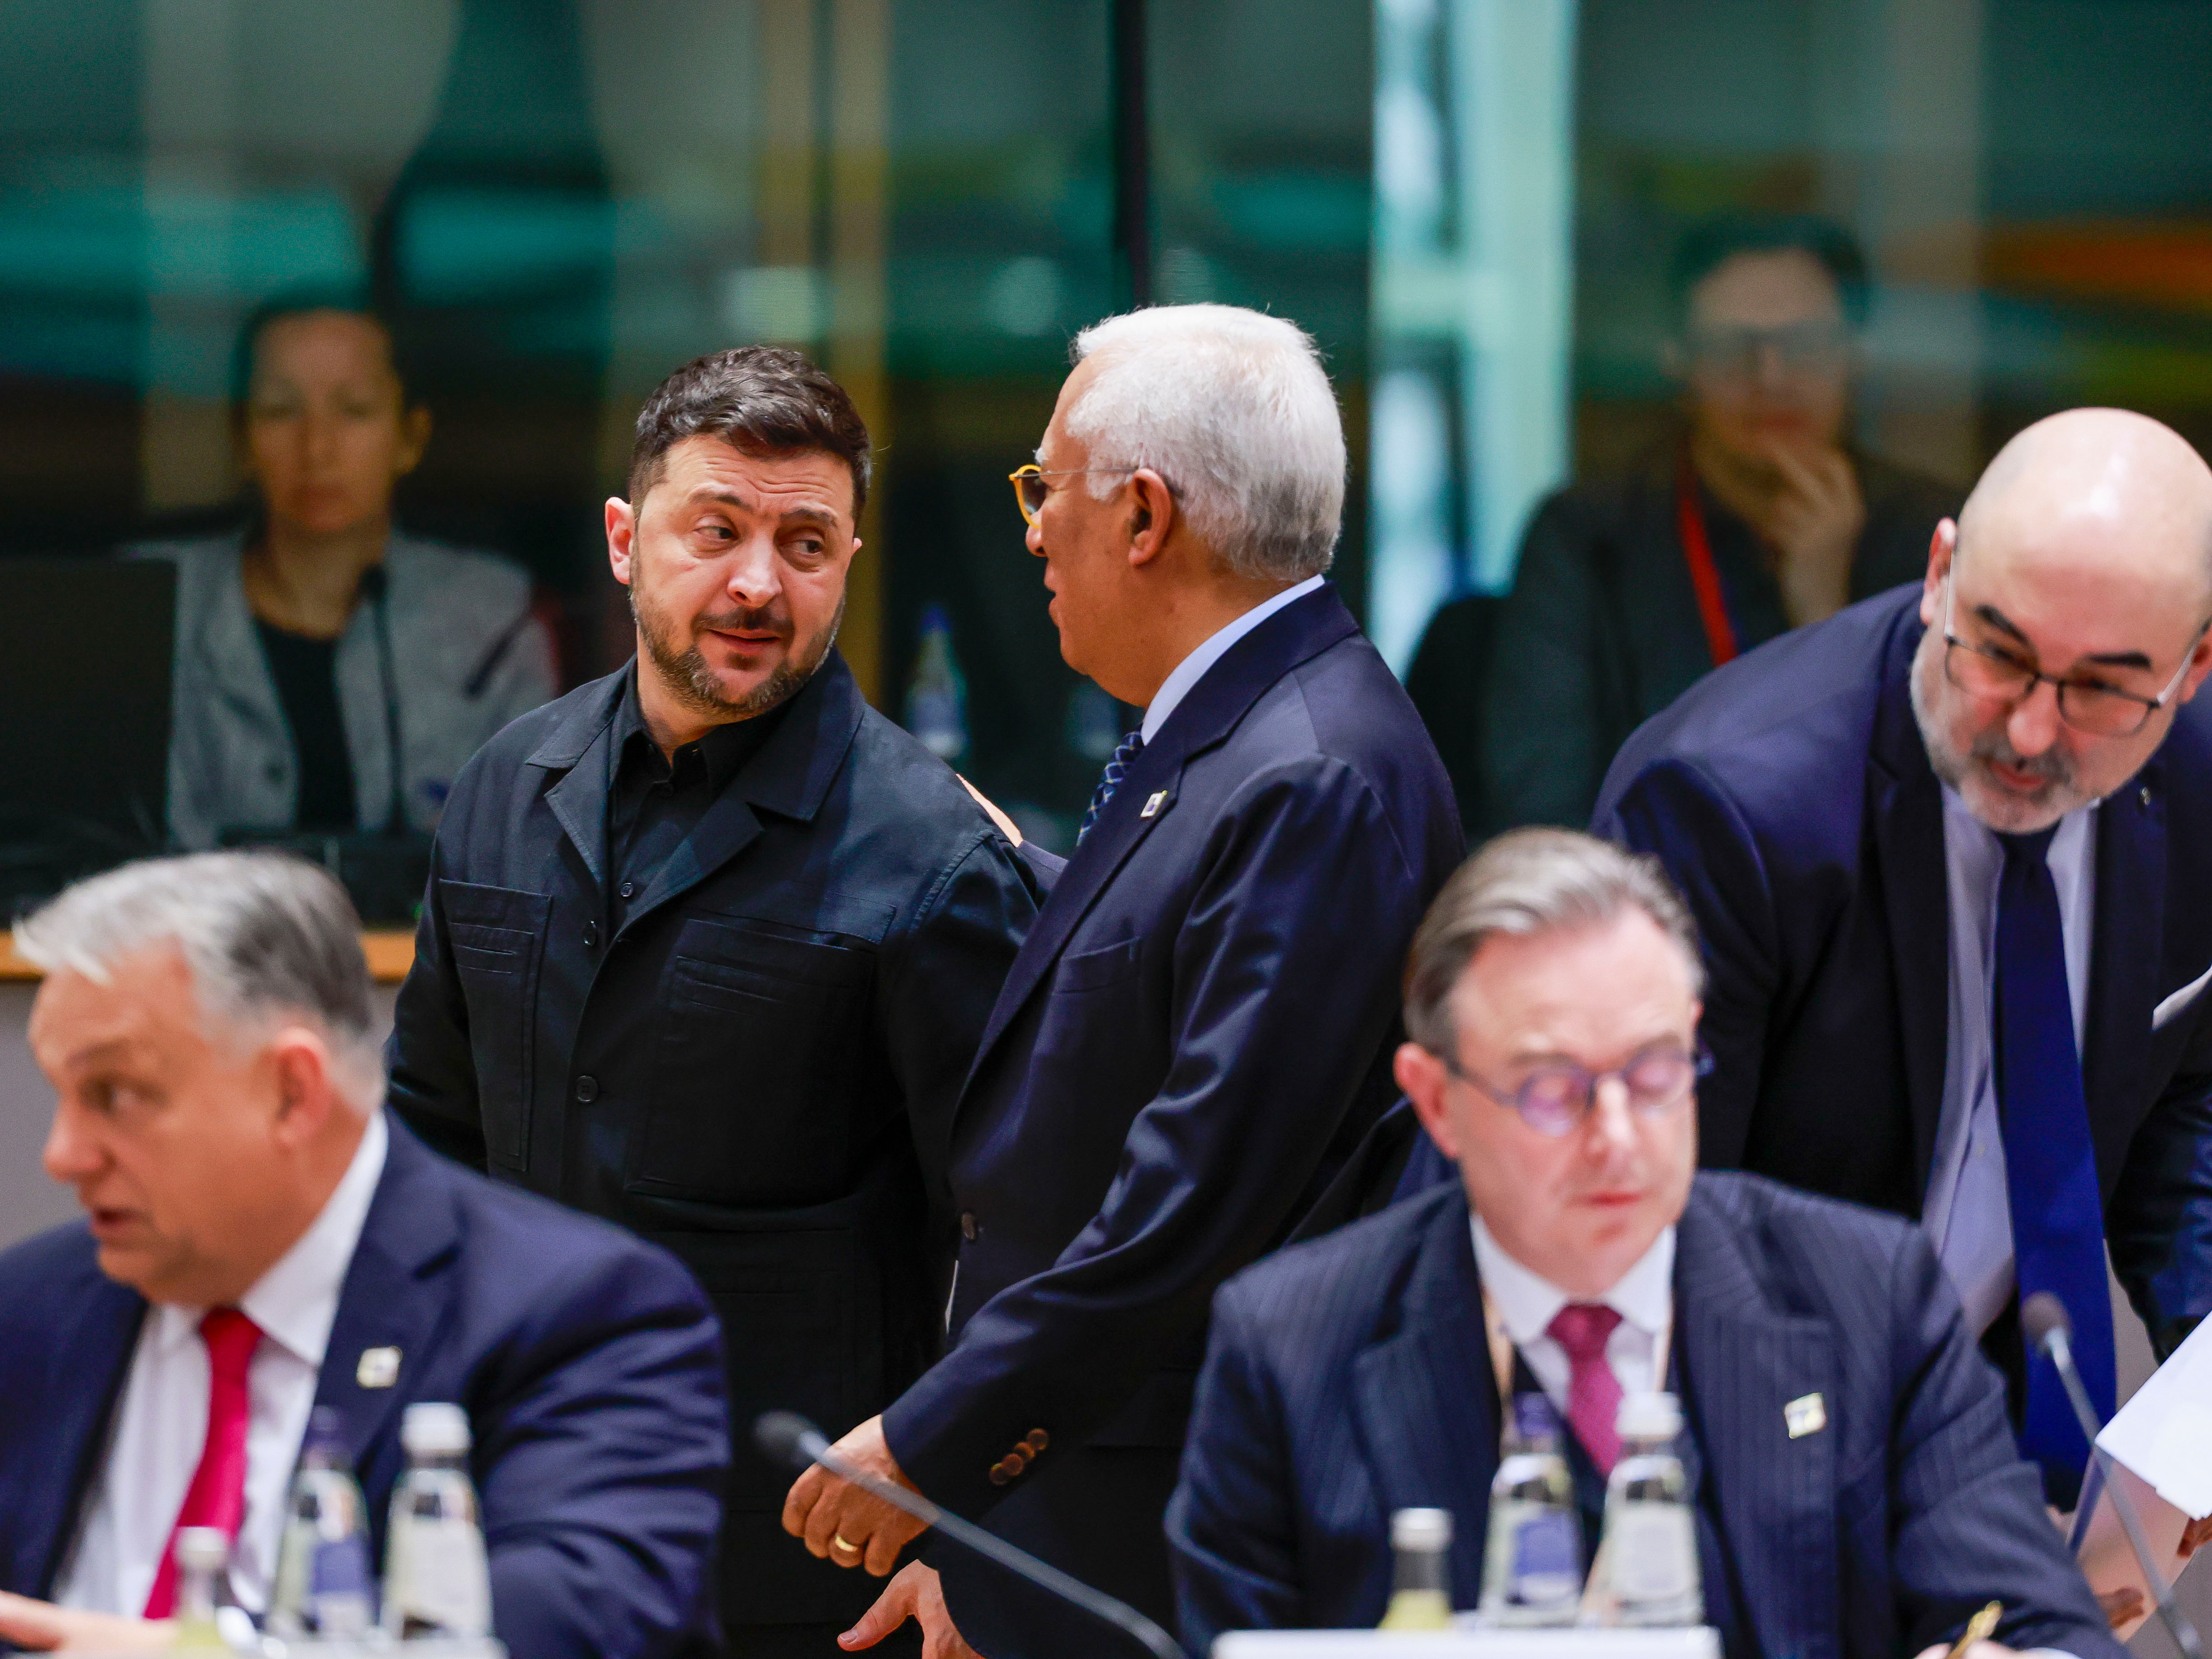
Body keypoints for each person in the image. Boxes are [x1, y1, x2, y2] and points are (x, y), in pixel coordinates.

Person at [782, 304, 1463, 1659]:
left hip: (1180, 1519)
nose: (1031, 531)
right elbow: (1151, 983)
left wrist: (938, 1451)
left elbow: (1194, 1194)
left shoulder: (1311, 770)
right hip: (1084, 1502)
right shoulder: (1231, 734)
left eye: (1047, 487)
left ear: (1144, 515)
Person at [385, 346, 1041, 1657]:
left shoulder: (936, 860)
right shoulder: (509, 784)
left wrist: (978, 1525)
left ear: (849, 562)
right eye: (718, 529)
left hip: (794, 1560)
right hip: (509, 1514)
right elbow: (426, 1141)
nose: (758, 582)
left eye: (806, 542)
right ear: (628, 541)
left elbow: (1017, 1238)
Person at [1167, 829, 2126, 1659]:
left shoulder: (1862, 1297)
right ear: (1434, 1099)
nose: (1618, 1136)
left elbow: (2042, 1622)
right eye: (1551, 1088)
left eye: (1656, 1070)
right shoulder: (1288, 1348)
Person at [1590, 407, 2212, 1507]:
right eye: (2001, 652)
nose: (2027, 731)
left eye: (2101, 689)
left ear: (2193, 666)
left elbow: (2185, 1103)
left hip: (1990, 1435)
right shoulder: (1728, 802)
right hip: (1733, 1437)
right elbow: (1635, 1227)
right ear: (1938, 573)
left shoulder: (2196, 784)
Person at [0, 852, 725, 1659]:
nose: (63, 1155)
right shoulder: (29, 1309)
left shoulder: (574, 1314)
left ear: (292, 1092)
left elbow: (571, 1626)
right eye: (60, 1096)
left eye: (116, 1095)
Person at [1455, 215, 1955, 835]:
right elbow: (1541, 813)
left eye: (1803, 345)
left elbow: (1935, 812)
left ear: (1856, 354)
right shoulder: (1588, 537)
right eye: (1731, 350)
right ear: (1678, 362)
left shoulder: (1930, 532)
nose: (1770, 377)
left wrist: (1826, 620)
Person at [137, 294, 556, 851]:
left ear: (409, 438)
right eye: (281, 410)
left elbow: (523, 851)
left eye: (354, 410)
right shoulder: (150, 605)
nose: (317, 448)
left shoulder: (493, 620)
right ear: (241, 437)